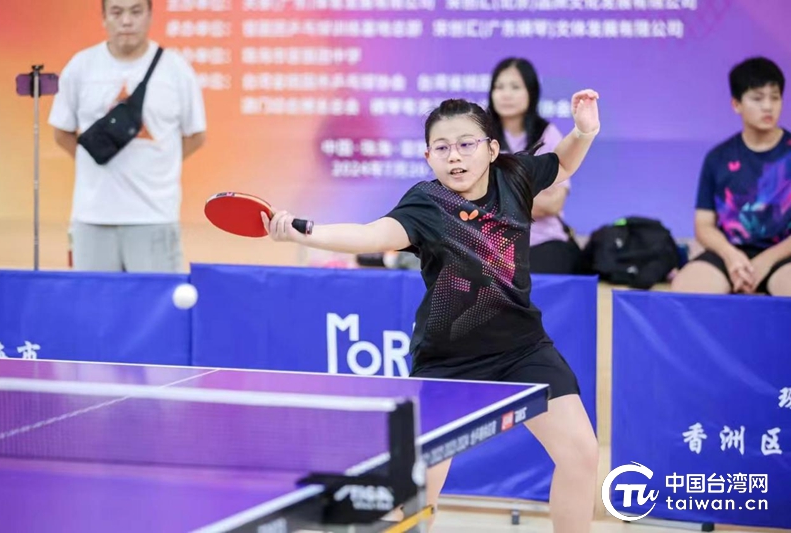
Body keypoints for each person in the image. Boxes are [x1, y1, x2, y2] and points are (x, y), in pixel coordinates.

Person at [261, 92, 601, 532]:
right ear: (428, 156)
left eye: (466, 144)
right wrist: (303, 232)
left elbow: (562, 164)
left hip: (522, 349)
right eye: (442, 147)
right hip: (448, 362)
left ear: (491, 149)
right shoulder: (427, 203)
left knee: (581, 454)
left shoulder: (513, 177)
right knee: (417, 492)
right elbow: (371, 235)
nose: (454, 156)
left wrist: (584, 131)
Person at [49, 0, 207, 273]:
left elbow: (196, 135)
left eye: (135, 12)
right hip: (93, 215)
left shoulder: (176, 69)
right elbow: (61, 131)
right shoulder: (81, 66)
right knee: (94, 299)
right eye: (116, 12)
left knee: (155, 299)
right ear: (103, 17)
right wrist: (92, 160)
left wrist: (159, 165)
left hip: (154, 216)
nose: (126, 21)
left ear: (150, 16)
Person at [671, 57, 791, 296]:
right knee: (685, 290)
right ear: (736, 104)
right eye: (758, 98)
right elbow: (703, 225)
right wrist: (731, 257)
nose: (768, 106)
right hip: (729, 253)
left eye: (775, 97)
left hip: (782, 254)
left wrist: (766, 260)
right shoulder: (718, 157)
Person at [488, 57, 581, 274]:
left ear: (531, 92)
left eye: (515, 87)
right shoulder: (481, 136)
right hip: (489, 242)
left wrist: (498, 199)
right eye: (499, 87)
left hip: (543, 240)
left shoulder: (547, 135)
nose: (506, 94)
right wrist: (528, 198)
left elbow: (553, 204)